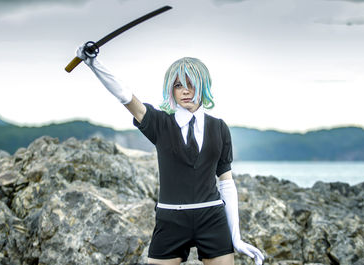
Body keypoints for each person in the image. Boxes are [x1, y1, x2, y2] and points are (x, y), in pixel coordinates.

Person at [76, 44, 265, 265]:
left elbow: (226, 183)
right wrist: (93, 64)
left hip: (212, 218)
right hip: (170, 220)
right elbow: (125, 96)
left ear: (203, 86)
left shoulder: (219, 128)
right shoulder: (160, 123)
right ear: (171, 90)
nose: (186, 90)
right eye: (178, 85)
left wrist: (236, 237)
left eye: (192, 84)